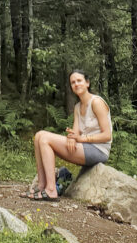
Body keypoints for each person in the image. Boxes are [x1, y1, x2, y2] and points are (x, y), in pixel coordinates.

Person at [25, 70, 112, 201]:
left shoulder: (96, 102)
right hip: (84, 147)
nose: (76, 84)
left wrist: (82, 138)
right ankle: (41, 186)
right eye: (73, 82)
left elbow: (107, 135)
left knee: (45, 138)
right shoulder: (77, 107)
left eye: (79, 81)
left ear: (87, 83)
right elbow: (75, 132)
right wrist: (72, 138)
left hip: (99, 150)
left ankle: (51, 190)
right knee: (39, 135)